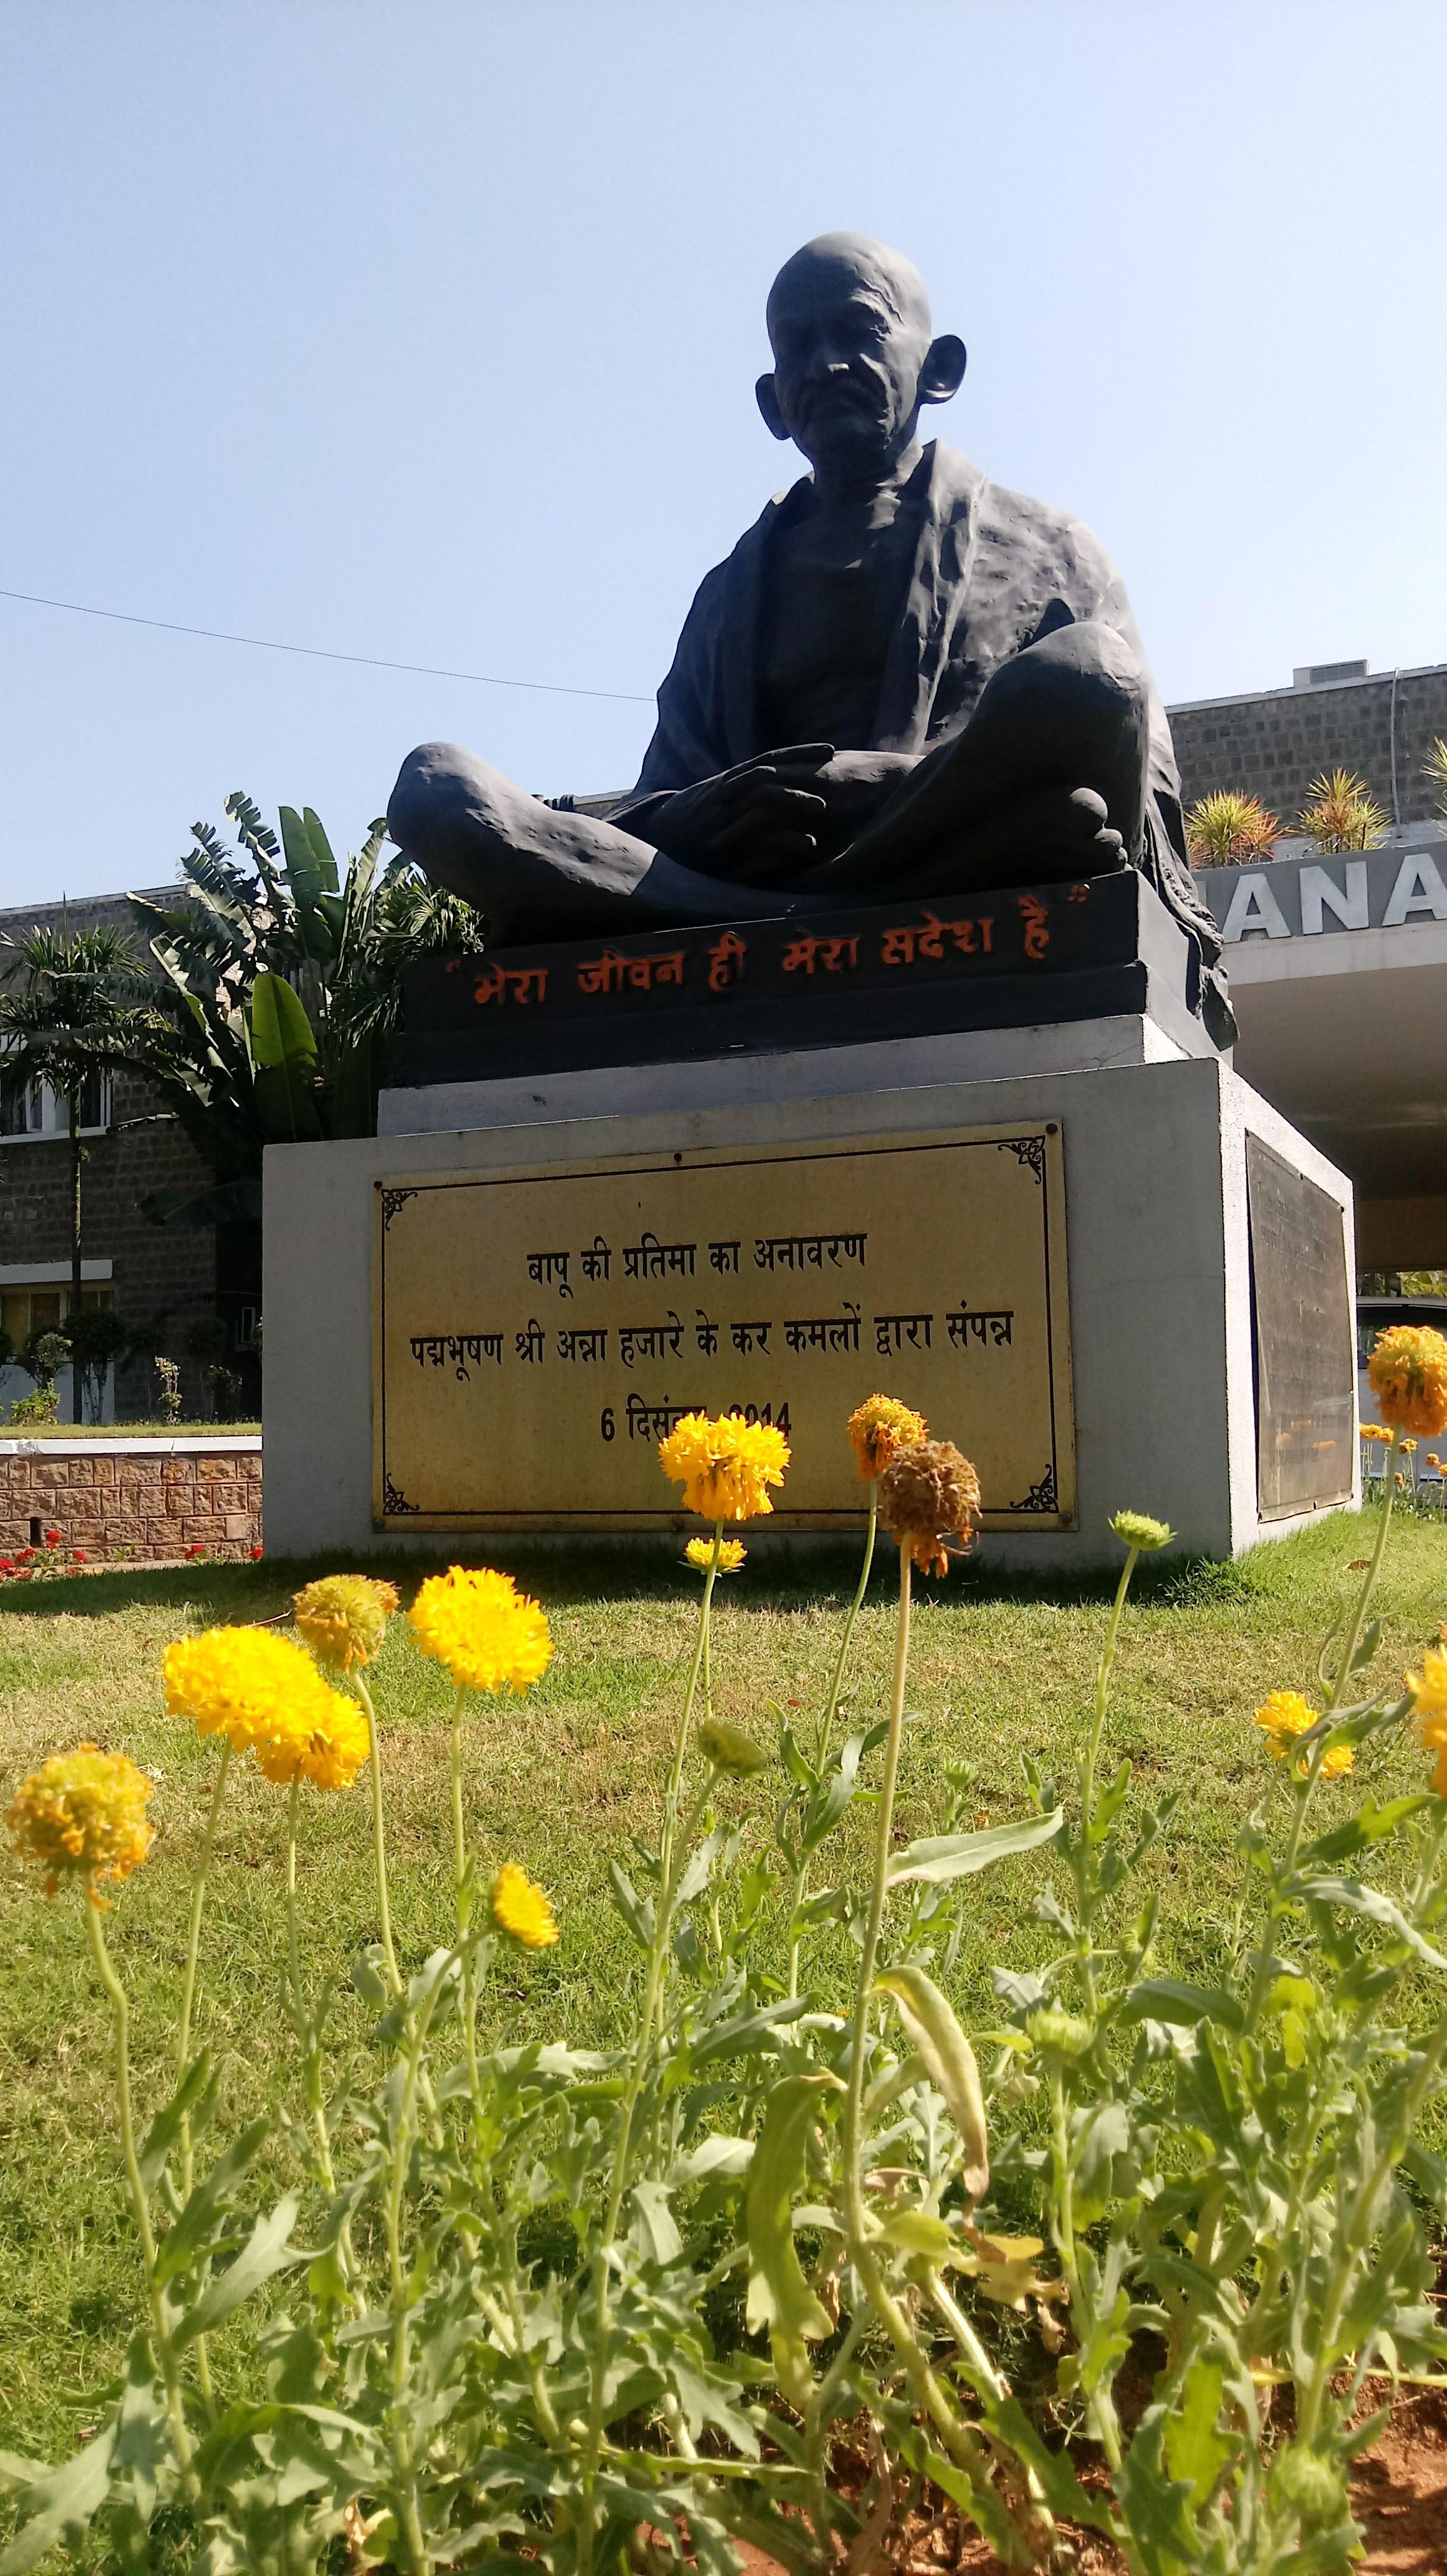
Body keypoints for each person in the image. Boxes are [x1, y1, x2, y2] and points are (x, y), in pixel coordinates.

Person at [389, 232, 1231, 1043]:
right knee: (436, 788)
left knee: (1095, 670)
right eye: (798, 347)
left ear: (939, 370)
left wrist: (867, 784)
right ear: (772, 402)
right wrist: (699, 816)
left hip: (941, 832)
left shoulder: (1053, 549)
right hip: (883, 872)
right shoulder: (727, 595)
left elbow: (1136, 801)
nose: (826, 365)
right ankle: (815, 923)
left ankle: (778, 926)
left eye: (859, 331)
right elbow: (658, 806)